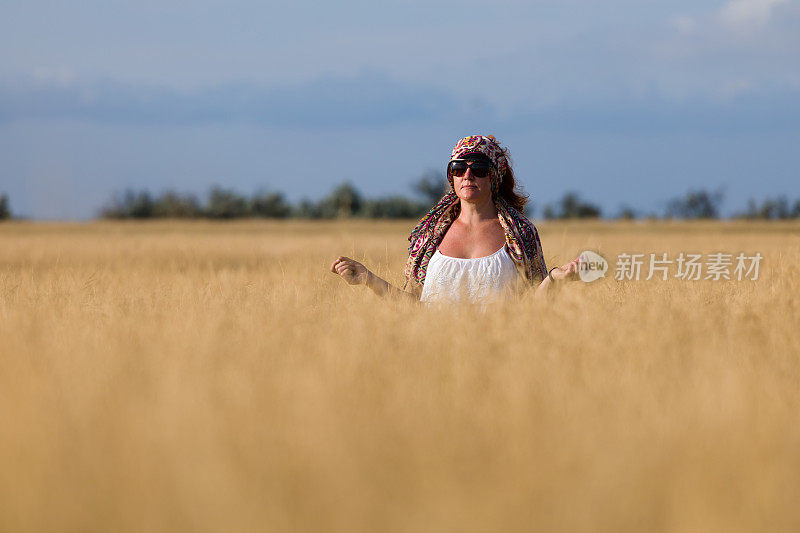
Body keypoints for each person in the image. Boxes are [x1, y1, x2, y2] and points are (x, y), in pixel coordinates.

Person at [330, 135, 580, 303]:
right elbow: (413, 304)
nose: (468, 175)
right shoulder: (429, 234)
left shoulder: (520, 233)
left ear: (494, 178)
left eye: (479, 170)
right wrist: (367, 279)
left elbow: (532, 306)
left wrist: (556, 277)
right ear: (451, 177)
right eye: (459, 169)